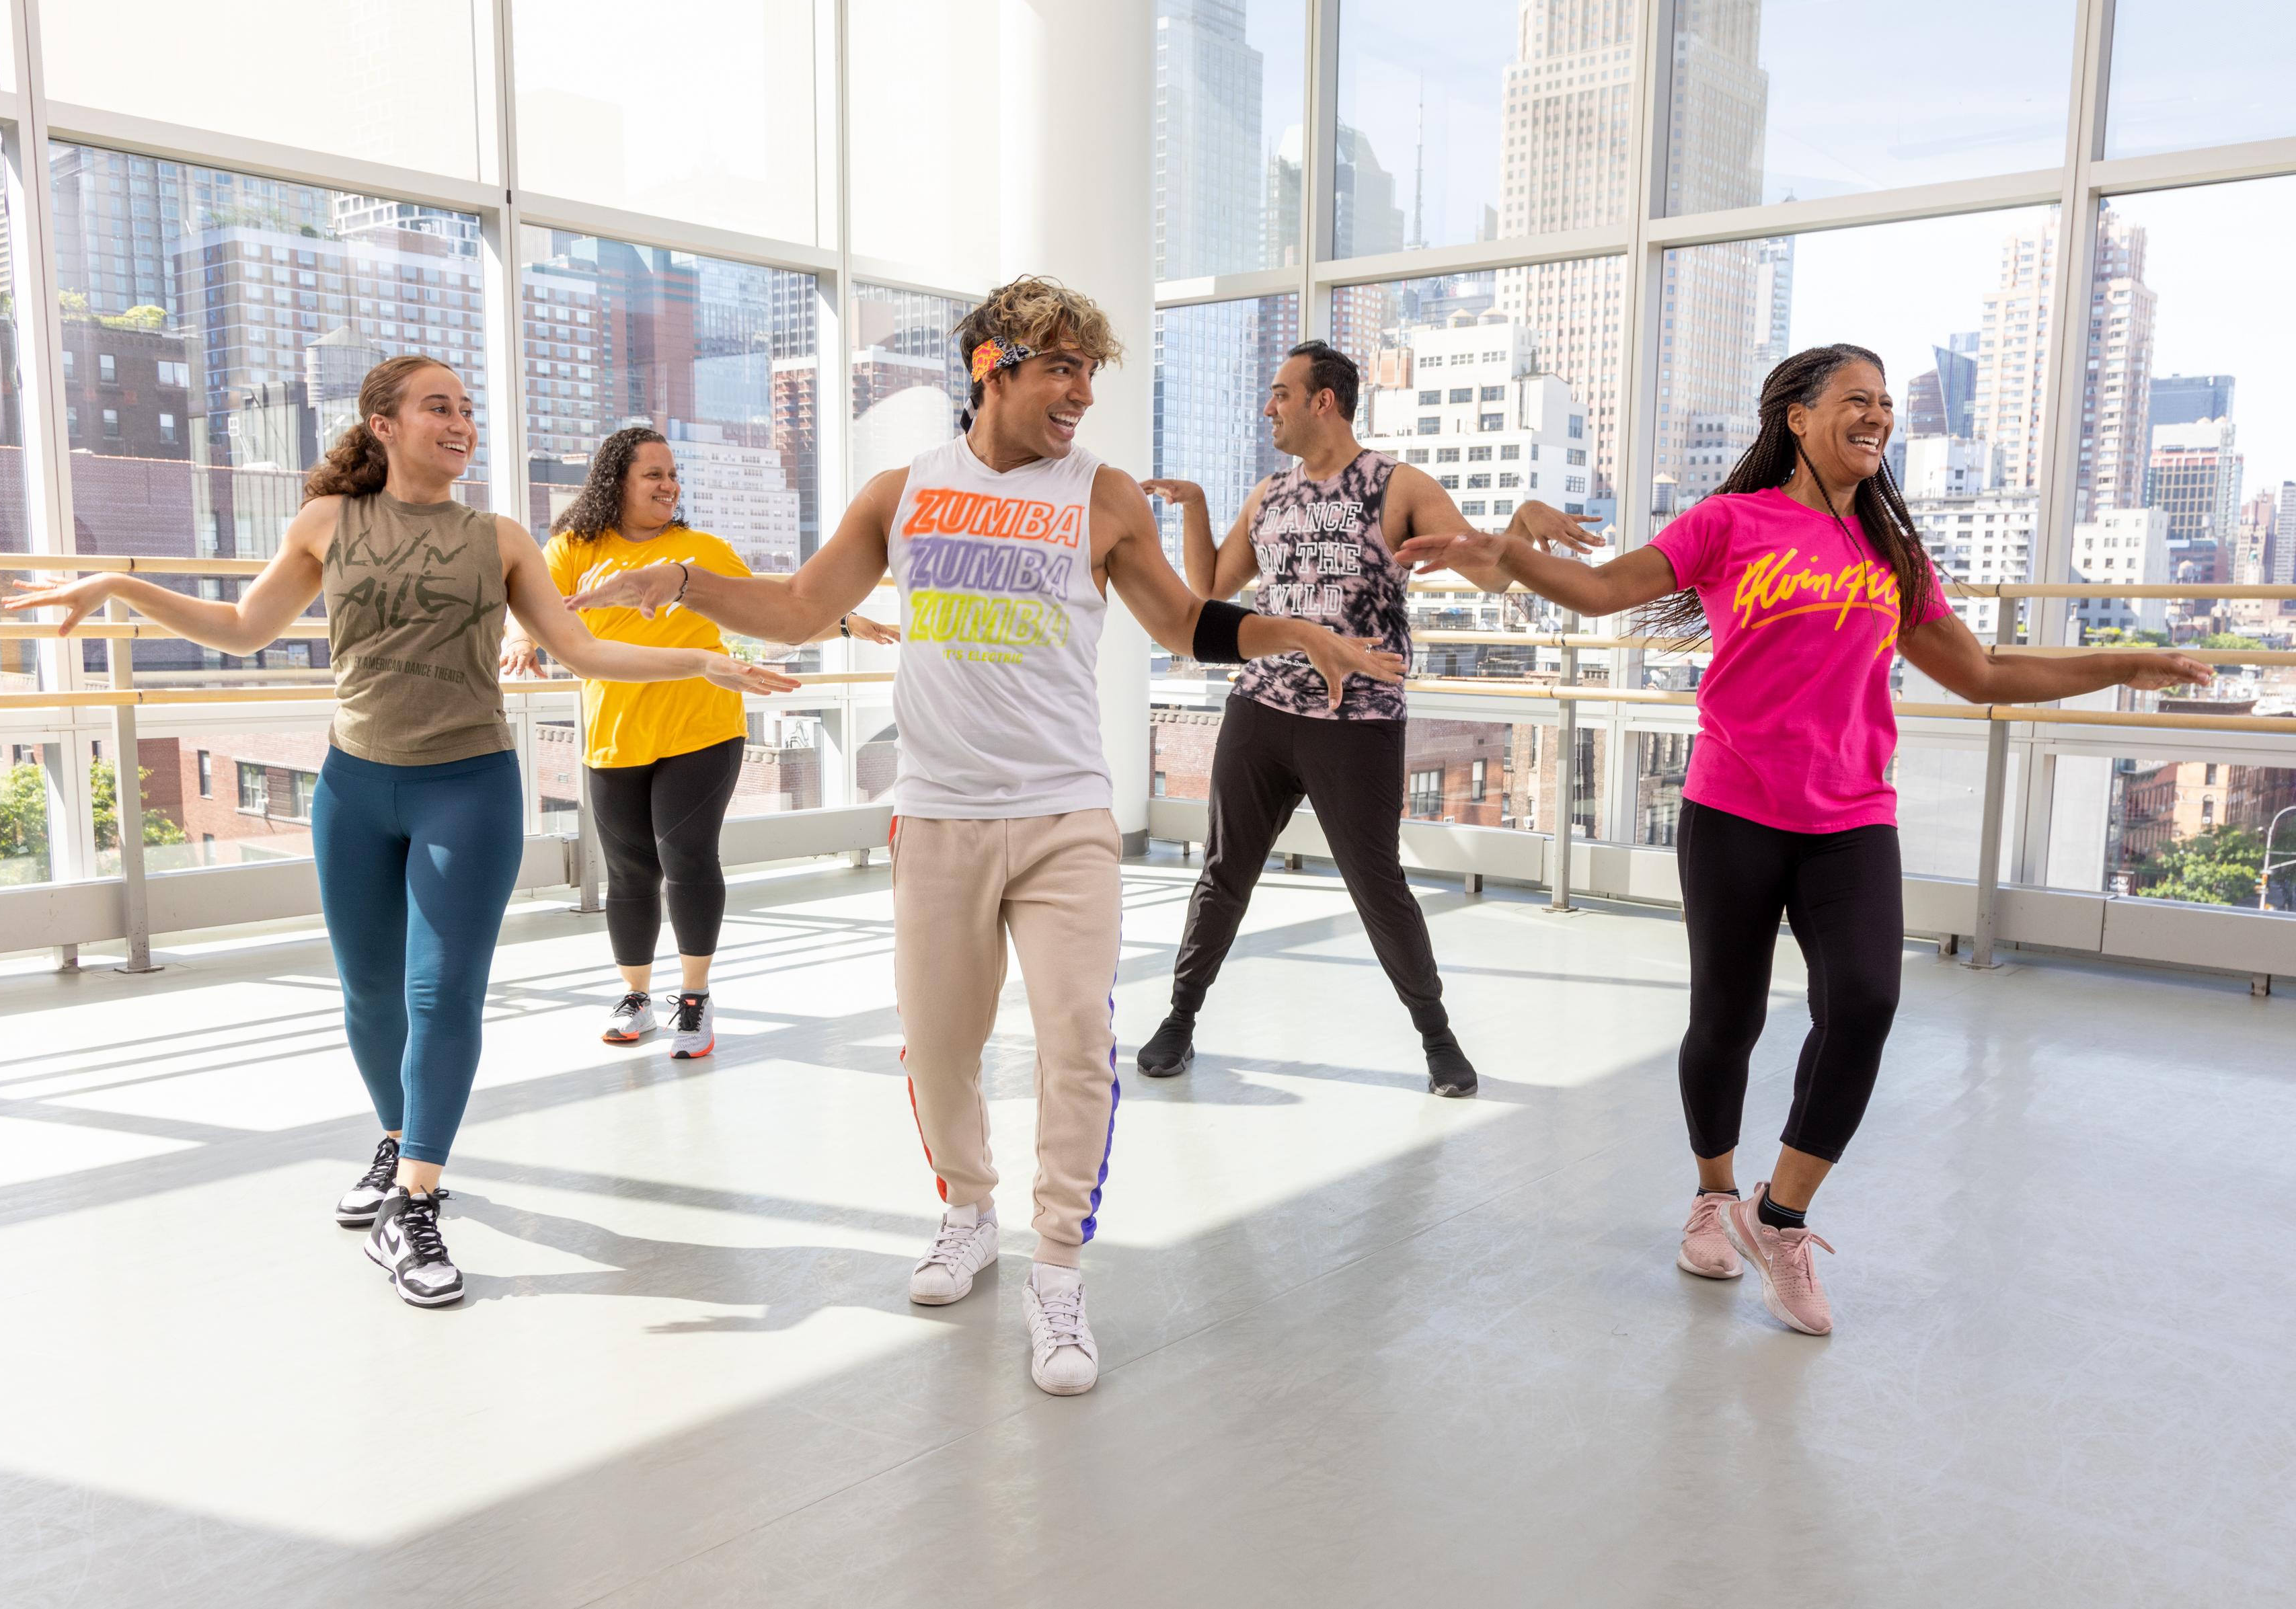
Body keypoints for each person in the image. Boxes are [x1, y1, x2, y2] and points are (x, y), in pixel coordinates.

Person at [561, 276, 1403, 1395]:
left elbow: (1177, 617)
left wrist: (1285, 632)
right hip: (941, 815)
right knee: (941, 1046)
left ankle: (1059, 1271)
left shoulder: (1102, 495)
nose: (1081, 393)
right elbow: (804, 605)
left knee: (1072, 1040)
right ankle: (968, 1212)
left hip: (1064, 815)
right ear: (989, 365)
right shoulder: (901, 494)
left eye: (1090, 372)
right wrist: (680, 579)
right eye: (1062, 367)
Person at [1397, 342, 2210, 1336]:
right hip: (1733, 807)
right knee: (1726, 1021)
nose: (1876, 417)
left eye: (1883, 405)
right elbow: (1607, 592)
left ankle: (1777, 1217)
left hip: (1852, 817)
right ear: (1798, 417)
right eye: (1855, 401)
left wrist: (2124, 663)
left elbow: (1986, 674)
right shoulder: (1730, 523)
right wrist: (1510, 556)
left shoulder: (1893, 557)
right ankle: (1711, 1194)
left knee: (1865, 1000)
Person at [5, 357, 798, 1308]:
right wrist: (118, 587)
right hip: (353, 786)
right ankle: (396, 1138)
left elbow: (579, 647)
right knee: (369, 993)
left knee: (440, 991)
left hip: (466, 786)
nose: (461, 421)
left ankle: (415, 1199)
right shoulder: (327, 523)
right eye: (439, 407)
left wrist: (702, 663)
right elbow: (245, 626)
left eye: (468, 408)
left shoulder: (499, 538)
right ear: (382, 424)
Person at [1137, 340, 1603, 1097]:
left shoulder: (1398, 485)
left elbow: (1485, 571)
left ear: (1326, 400)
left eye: (1282, 393)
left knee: (1377, 883)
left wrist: (1517, 523)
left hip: (1357, 718)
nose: (1269, 408)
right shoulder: (1268, 497)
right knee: (1224, 873)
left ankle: (1438, 1037)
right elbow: (1211, 586)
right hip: (1262, 705)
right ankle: (1181, 1019)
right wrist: (1194, 506)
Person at [502, 426, 899, 1057]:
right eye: (653, 474)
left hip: (704, 727)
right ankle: (636, 997)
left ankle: (694, 998)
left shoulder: (700, 548)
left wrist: (848, 622)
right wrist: (523, 644)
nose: (669, 485)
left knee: (686, 856)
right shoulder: (573, 546)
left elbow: (773, 611)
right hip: (615, 735)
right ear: (617, 482)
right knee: (630, 872)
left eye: (672, 473)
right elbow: (535, 610)